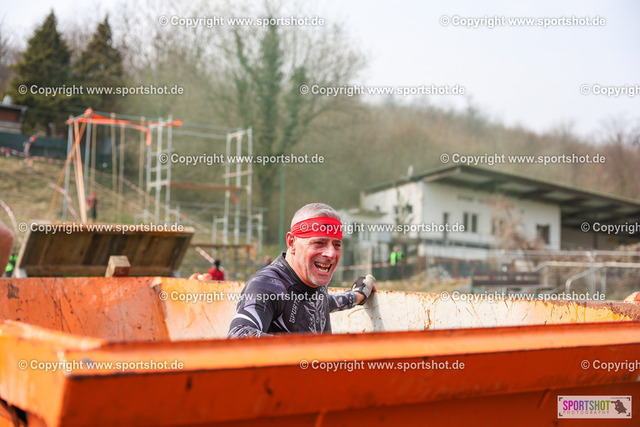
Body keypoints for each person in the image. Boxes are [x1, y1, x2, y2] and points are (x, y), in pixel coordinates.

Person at [227, 203, 376, 338]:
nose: (331, 254)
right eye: (319, 243)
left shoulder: (313, 280)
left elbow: (323, 303)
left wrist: (358, 295)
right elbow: (238, 335)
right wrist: (303, 350)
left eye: (337, 245)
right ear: (292, 242)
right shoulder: (267, 285)